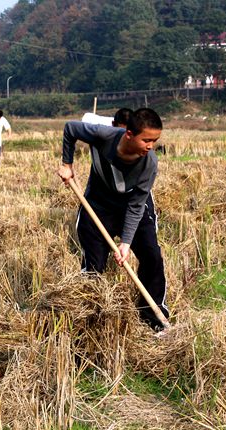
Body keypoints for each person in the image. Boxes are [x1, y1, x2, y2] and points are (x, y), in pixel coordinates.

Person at [57, 108, 169, 332]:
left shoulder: (150, 163)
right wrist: (67, 164)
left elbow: (137, 206)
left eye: (154, 141)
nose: (150, 146)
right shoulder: (103, 135)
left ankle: (154, 315)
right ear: (129, 134)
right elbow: (70, 129)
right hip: (99, 204)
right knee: (94, 264)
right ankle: (90, 313)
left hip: (132, 206)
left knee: (152, 255)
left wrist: (125, 243)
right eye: (146, 140)